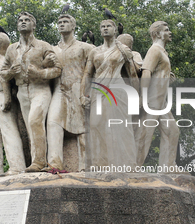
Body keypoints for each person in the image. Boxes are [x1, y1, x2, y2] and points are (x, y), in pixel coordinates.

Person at [0, 12, 62, 172]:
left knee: (35, 121)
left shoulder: (43, 46)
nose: (23, 22)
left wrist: (40, 73)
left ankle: (40, 162)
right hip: (21, 91)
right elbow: (3, 74)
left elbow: (57, 69)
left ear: (34, 25)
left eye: (27, 20)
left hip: (40, 89)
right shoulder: (12, 49)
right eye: (20, 20)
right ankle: (36, 161)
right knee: (30, 127)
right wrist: (11, 73)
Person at [81, 19, 139, 168]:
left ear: (114, 30)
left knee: (121, 127)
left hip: (117, 89)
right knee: (96, 125)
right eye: (102, 27)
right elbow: (87, 74)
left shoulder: (123, 50)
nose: (105, 29)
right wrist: (83, 94)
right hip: (98, 90)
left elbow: (132, 74)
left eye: (108, 26)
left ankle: (127, 164)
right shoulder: (94, 51)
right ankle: (100, 164)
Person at [46, 14, 94, 172]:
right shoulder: (52, 49)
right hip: (59, 91)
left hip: (79, 90)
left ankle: (86, 167)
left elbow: (99, 66)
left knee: (84, 128)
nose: (62, 25)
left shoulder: (85, 47)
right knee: (53, 122)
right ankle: (55, 165)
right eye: (59, 22)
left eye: (65, 22)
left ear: (73, 26)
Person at [134, 21, 179, 168]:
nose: (169, 32)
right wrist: (143, 96)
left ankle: (168, 167)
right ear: (157, 33)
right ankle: (132, 166)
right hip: (152, 100)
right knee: (144, 135)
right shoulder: (154, 50)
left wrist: (167, 78)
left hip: (161, 101)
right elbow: (146, 72)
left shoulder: (162, 51)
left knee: (172, 131)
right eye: (166, 30)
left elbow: (156, 75)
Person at [0, 32, 26, 178]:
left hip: (0, 95)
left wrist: (7, 98)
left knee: (9, 130)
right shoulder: (9, 60)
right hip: (9, 96)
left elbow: (2, 75)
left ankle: (17, 167)